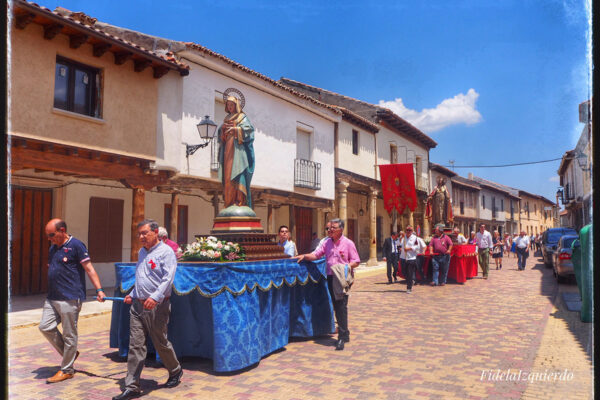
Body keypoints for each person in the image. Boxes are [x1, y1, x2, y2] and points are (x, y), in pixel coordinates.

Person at [113, 219, 183, 400]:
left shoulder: (166, 252)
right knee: (135, 345)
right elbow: (141, 276)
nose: (141, 237)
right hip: (138, 305)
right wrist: (133, 293)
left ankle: (175, 370)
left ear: (156, 232)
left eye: (145, 233)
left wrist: (155, 297)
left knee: (160, 342)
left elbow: (168, 279)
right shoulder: (142, 252)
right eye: (139, 234)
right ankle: (132, 386)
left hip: (157, 306)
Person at [40, 219, 106, 384]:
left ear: (62, 230)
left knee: (70, 335)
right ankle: (69, 353)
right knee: (45, 327)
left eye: (52, 235)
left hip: (70, 297)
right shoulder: (53, 248)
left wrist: (99, 289)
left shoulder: (77, 246)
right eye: (47, 236)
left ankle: (67, 370)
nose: (49, 238)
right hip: (52, 297)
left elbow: (89, 269)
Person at [295, 218, 360, 351]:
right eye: (328, 228)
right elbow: (316, 255)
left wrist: (346, 267)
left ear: (341, 229)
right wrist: (303, 256)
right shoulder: (326, 243)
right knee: (338, 306)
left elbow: (356, 261)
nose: (330, 230)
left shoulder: (348, 243)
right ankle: (345, 332)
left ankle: (341, 337)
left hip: (341, 279)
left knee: (341, 306)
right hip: (330, 277)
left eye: (333, 228)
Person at [217, 92, 255, 209]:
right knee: (228, 176)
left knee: (238, 173)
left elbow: (249, 131)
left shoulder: (242, 117)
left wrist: (236, 129)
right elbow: (220, 136)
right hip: (227, 150)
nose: (229, 107)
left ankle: (240, 200)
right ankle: (229, 201)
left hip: (238, 152)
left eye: (231, 105)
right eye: (228, 105)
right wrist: (222, 130)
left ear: (236, 105)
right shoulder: (226, 118)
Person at [401, 226, 418, 293]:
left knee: (410, 272)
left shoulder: (414, 238)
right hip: (403, 257)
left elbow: (416, 246)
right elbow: (399, 244)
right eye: (407, 230)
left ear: (412, 231)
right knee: (404, 272)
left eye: (410, 230)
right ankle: (410, 281)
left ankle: (409, 287)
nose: (408, 231)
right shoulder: (403, 238)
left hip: (411, 258)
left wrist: (409, 249)